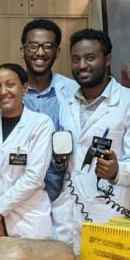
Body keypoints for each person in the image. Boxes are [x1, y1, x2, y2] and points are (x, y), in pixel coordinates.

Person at [52, 29, 130, 253]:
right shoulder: (67, 104)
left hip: (109, 208)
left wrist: (117, 170)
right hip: (68, 211)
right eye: (76, 59)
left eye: (90, 58)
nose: (82, 65)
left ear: (107, 59)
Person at [0, 64, 53, 240]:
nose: (3, 91)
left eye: (10, 85)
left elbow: (34, 177)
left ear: (24, 88)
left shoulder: (40, 124)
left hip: (27, 222)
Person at [20, 19, 79, 202]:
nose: (40, 52)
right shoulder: (9, 93)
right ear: (23, 50)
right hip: (17, 196)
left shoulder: (73, 92)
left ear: (57, 52)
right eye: (33, 46)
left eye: (47, 46)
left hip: (62, 196)